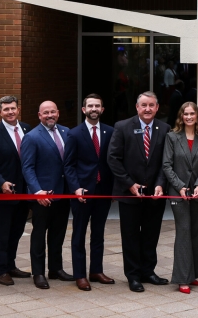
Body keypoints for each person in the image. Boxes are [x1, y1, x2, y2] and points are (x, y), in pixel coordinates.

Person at [107, 91, 171, 293]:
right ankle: (133, 276)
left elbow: (166, 161)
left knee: (151, 235)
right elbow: (113, 158)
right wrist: (129, 184)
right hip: (130, 194)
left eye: (151, 105)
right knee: (131, 236)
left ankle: (148, 272)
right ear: (137, 107)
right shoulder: (122, 127)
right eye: (144, 105)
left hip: (155, 195)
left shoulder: (165, 129)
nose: (147, 109)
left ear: (157, 108)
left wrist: (160, 184)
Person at [63, 94, 115, 291]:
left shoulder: (110, 132)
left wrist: (113, 189)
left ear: (102, 109)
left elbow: (112, 162)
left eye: (97, 106)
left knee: (98, 233)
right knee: (79, 234)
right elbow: (68, 165)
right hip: (82, 192)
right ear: (84, 109)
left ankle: (96, 271)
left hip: (103, 191)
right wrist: (76, 188)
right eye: (90, 106)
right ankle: (80, 275)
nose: (94, 109)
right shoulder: (74, 134)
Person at [21, 101, 73, 289]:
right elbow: (27, 167)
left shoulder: (67, 132)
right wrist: (37, 191)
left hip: (63, 193)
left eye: (52, 112)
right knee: (39, 235)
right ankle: (38, 273)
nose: (49, 115)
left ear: (58, 113)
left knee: (58, 233)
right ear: (39, 115)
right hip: (42, 196)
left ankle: (56, 269)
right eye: (45, 113)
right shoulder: (32, 137)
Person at [0, 96, 32, 286]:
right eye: (6, 109)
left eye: (13, 108)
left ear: (18, 109)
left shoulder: (27, 129)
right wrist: (1, 183)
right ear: (0, 112)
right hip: (4, 193)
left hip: (24, 192)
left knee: (17, 231)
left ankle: (11, 265)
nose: (10, 112)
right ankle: (1, 270)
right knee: (3, 233)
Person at [162, 102, 198, 294]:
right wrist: (180, 186)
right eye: (185, 114)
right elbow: (166, 165)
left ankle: (192, 273)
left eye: (192, 114)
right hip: (177, 192)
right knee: (184, 231)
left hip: (197, 192)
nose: (189, 117)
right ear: (181, 116)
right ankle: (182, 278)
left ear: (197, 116)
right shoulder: (172, 137)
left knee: (195, 231)